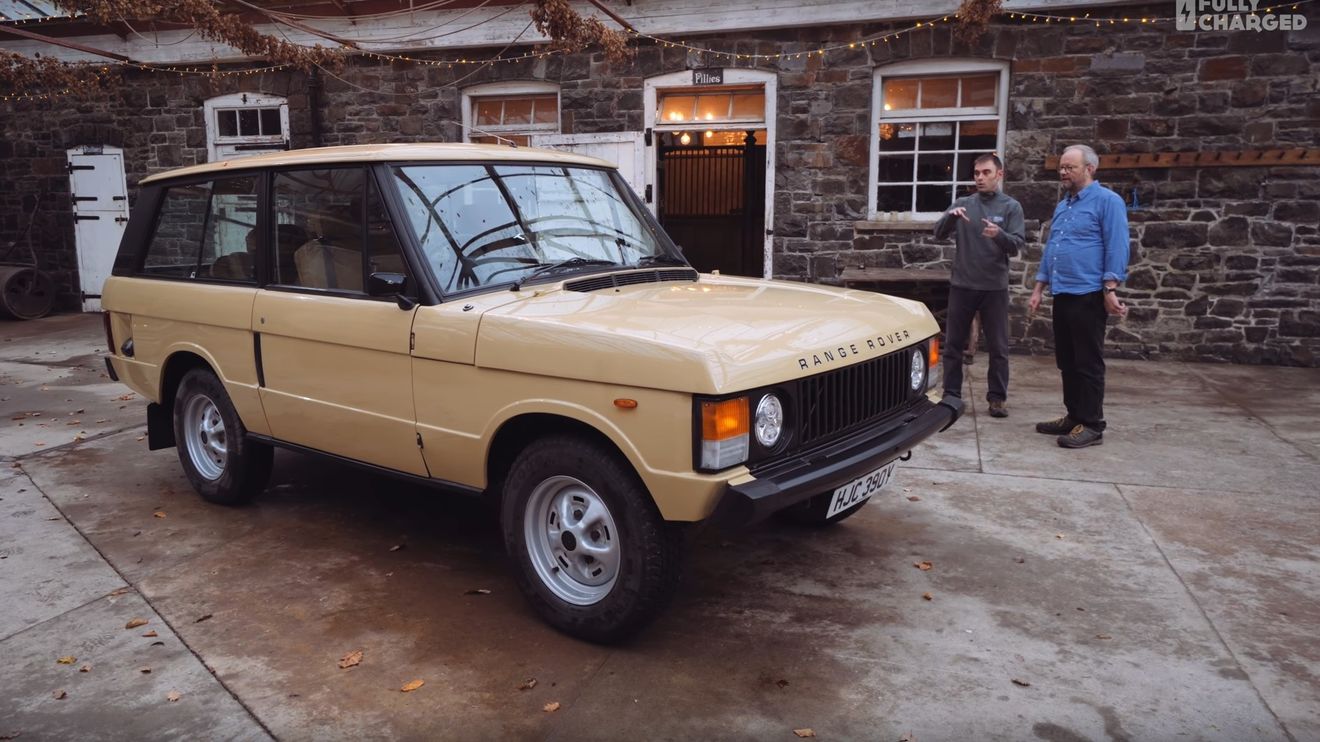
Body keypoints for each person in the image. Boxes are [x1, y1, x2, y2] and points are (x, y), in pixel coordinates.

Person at [1029, 144, 1130, 449]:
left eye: (1070, 167)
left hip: (1088, 294)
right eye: (1061, 167)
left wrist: (1110, 289)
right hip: (1063, 292)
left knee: (1088, 362)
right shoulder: (1065, 205)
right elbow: (1052, 250)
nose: (1063, 172)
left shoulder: (1108, 202)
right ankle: (1074, 416)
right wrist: (1038, 289)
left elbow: (1117, 246)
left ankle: (1092, 424)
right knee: (1067, 361)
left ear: (1090, 169)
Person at [933, 153, 1025, 418]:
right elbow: (938, 234)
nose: (980, 178)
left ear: (999, 174)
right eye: (977, 173)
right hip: (963, 285)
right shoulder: (963, 203)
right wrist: (951, 217)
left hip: (994, 287)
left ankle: (997, 398)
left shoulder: (1011, 207)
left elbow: (1017, 245)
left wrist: (999, 235)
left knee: (998, 347)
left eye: (986, 172)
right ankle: (951, 394)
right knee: (952, 345)